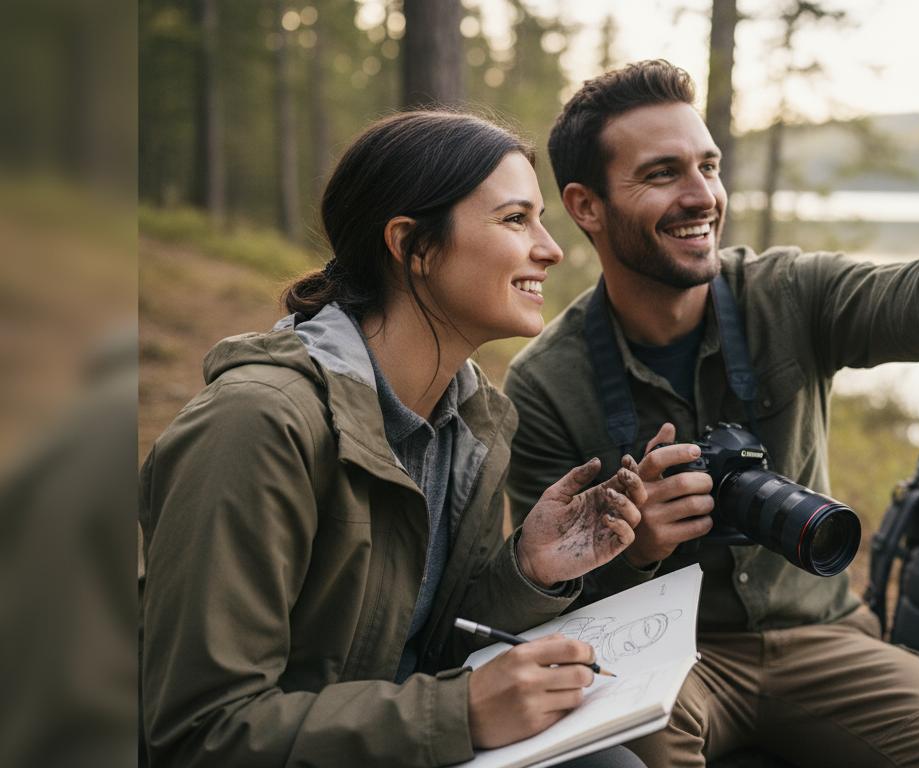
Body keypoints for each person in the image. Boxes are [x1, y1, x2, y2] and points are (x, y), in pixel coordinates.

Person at [504, 60, 919, 768]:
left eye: (710, 166)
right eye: (663, 174)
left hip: (821, 635)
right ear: (587, 205)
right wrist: (638, 552)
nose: (702, 196)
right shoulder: (544, 383)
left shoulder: (787, 293)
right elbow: (556, 600)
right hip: (661, 647)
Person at [139, 111, 671, 767]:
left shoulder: (471, 422)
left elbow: (416, 645)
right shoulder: (256, 427)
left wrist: (527, 569)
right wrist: (460, 711)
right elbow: (197, 733)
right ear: (412, 246)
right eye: (514, 219)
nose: (552, 248)